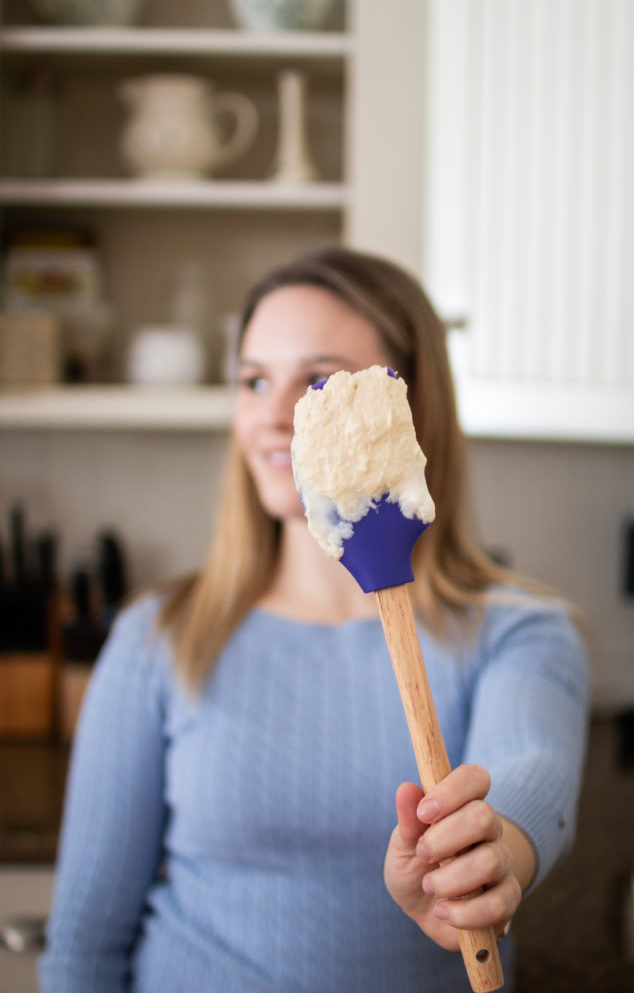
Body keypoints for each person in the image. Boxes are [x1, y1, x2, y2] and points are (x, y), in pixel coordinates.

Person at [40, 246, 589, 992]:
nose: (272, 414)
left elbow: (530, 773)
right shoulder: (157, 636)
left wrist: (493, 852)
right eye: (254, 380)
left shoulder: (517, 631)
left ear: (408, 405)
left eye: (318, 381)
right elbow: (85, 942)